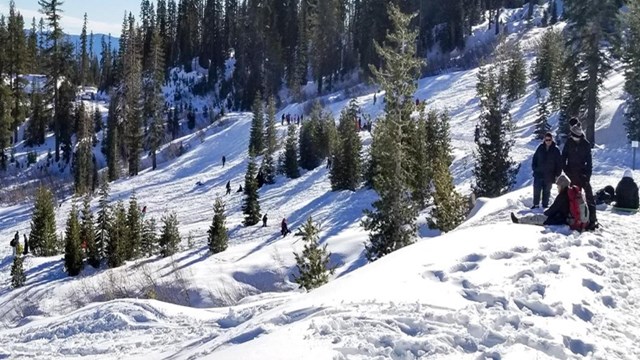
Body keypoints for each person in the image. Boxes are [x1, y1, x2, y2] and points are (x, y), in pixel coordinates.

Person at [562, 119, 598, 230]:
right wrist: (567, 172)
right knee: (569, 196)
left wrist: (587, 176)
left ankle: (592, 219)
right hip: (571, 173)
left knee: (589, 197)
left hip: (583, 174)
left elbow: (589, 163)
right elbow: (564, 158)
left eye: (573, 135)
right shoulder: (569, 142)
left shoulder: (586, 144)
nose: (571, 136)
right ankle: (570, 216)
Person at [531, 132, 562, 209]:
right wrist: (535, 169)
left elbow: (559, 163)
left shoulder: (556, 150)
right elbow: (535, 159)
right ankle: (536, 205)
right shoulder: (540, 148)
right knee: (536, 190)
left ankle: (545, 206)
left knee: (547, 192)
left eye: (549, 140)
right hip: (539, 174)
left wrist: (557, 174)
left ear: (552, 140)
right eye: (546, 140)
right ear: (544, 140)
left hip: (549, 175)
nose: (548, 141)